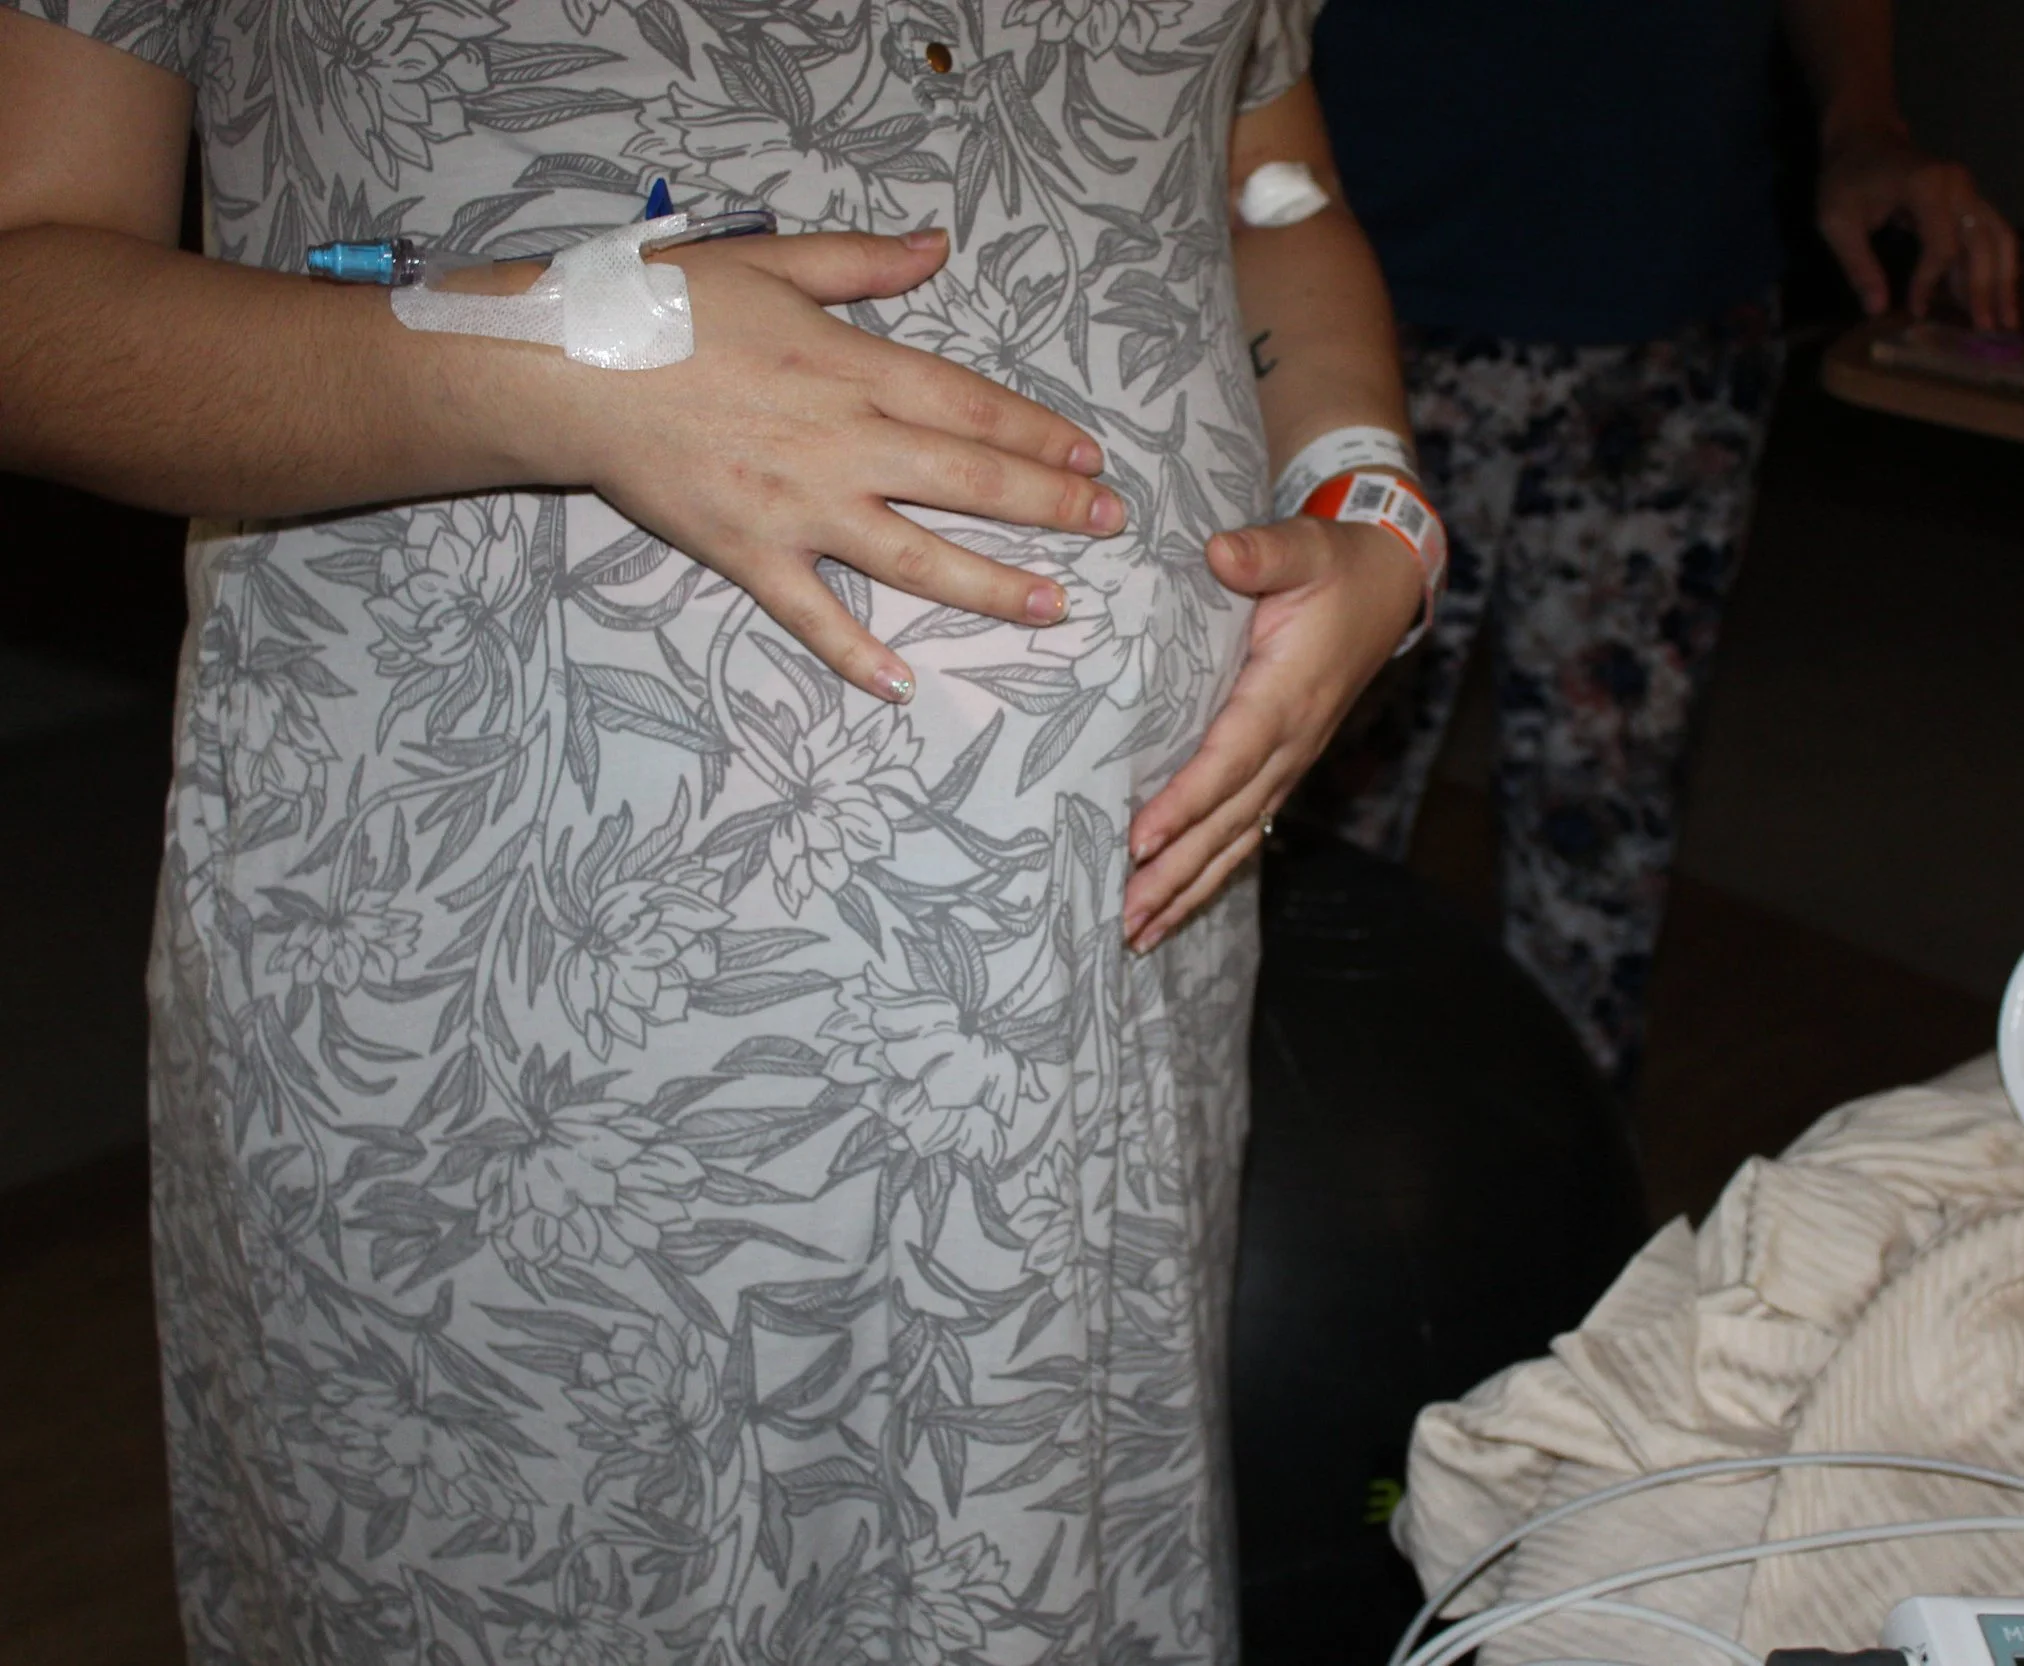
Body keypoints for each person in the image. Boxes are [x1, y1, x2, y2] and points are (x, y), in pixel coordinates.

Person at [0, 1, 1423, 1659]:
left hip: (1086, 1013)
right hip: (503, 1014)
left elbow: (1273, 190)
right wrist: (546, 350)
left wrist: (1368, 500)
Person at [1304, 0, 2022, 1090]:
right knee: (1310, 850)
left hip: (1677, 312)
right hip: (1355, 310)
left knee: (1600, 860)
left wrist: (1862, 119)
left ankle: (1574, 1223)